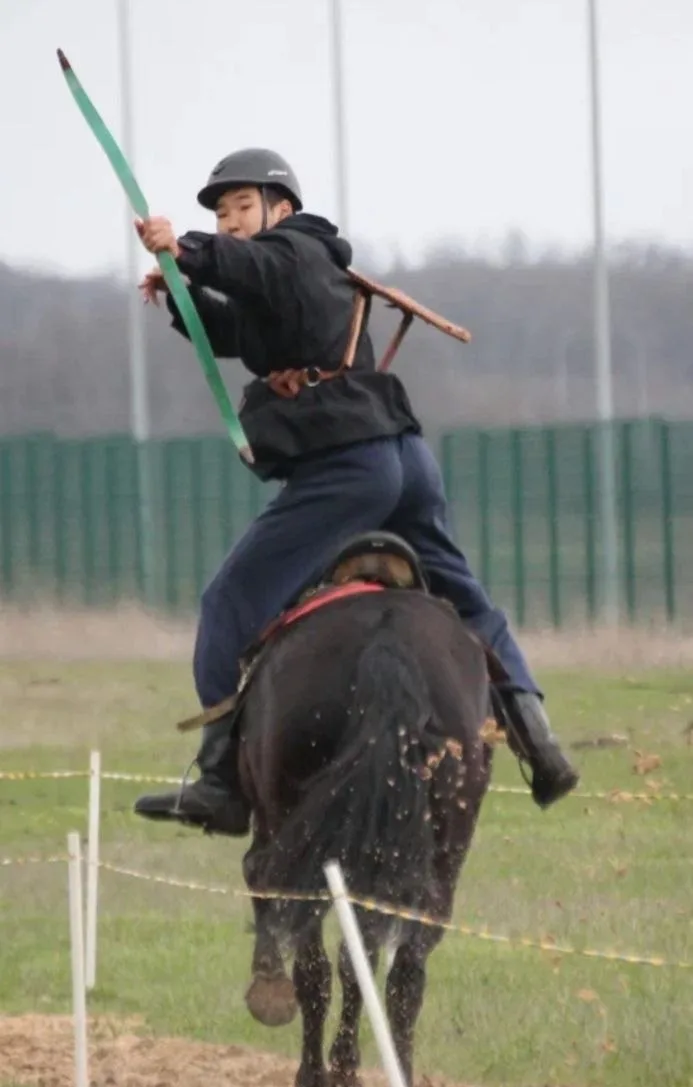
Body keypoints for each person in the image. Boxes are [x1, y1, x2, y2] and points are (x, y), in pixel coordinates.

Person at [133, 148, 579, 835]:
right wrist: (178, 288)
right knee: (465, 599)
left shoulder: (300, 251)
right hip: (402, 457)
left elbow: (254, 266)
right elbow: (235, 330)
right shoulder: (283, 281)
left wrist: (185, 247)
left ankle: (222, 783)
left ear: (282, 209)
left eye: (241, 207)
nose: (230, 223)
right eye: (220, 216)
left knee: (229, 601)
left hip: (349, 467)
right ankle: (539, 743)